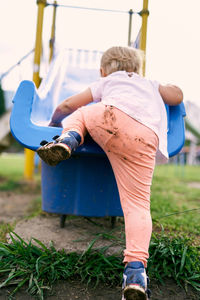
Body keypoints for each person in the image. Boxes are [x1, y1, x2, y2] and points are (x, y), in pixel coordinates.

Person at [37, 46, 183, 300]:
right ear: (136, 70)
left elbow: (68, 103)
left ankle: (69, 139)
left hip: (107, 117)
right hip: (144, 136)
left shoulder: (106, 81)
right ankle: (136, 272)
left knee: (81, 113)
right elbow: (177, 96)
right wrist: (163, 86)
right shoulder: (149, 83)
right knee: (138, 204)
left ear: (102, 70)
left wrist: (54, 122)